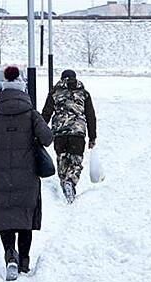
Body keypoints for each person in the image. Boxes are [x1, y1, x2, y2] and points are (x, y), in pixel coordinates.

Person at [0, 65, 53, 281]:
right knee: (24, 217)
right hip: (28, 175)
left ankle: (10, 255)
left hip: (2, 175)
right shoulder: (31, 115)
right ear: (22, 89)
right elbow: (47, 138)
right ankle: (24, 262)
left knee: (6, 215)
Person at [42, 69, 97, 203]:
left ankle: (64, 182)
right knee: (75, 161)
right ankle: (70, 183)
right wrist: (92, 137)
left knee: (62, 159)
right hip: (78, 133)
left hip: (60, 133)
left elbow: (46, 113)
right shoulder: (84, 94)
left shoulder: (54, 93)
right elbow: (90, 116)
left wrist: (40, 133)